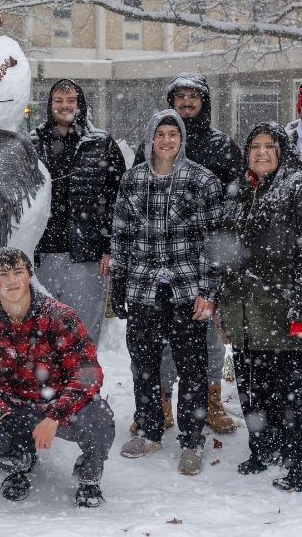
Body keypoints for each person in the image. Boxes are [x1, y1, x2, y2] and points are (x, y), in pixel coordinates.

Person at [215, 123, 302, 492]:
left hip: (293, 312)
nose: (261, 153)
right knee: (257, 386)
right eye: (254, 146)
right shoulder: (240, 189)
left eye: (268, 146)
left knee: (301, 393)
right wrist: (224, 308)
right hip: (250, 313)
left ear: (283, 150)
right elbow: (225, 253)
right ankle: (266, 448)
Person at [111, 110, 223, 476]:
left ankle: (191, 440)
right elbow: (122, 234)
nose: (167, 141)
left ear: (182, 139)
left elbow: (213, 242)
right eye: (160, 134)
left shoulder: (201, 180)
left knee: (192, 367)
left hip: (186, 287)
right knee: (144, 366)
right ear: (151, 138)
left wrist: (208, 291)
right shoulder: (133, 180)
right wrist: (119, 284)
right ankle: (148, 429)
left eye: (173, 134)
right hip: (144, 287)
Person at [0, 247, 115, 508]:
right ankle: (21, 464)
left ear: (30, 275)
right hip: (16, 407)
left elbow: (86, 373)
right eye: (3, 274)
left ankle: (89, 477)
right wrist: (4, 416)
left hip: (60, 405)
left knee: (100, 419)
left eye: (18, 272)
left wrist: (55, 416)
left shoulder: (58, 316)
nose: (11, 281)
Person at [133, 73, 242, 434]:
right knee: (162, 337)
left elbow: (235, 201)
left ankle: (210, 400)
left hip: (210, 254)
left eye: (193, 96)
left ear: (204, 102)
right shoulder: (152, 143)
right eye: (179, 96)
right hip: (162, 259)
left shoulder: (222, 146)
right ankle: (161, 401)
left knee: (208, 333)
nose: (186, 102)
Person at [30, 79, 125, 342]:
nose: (64, 106)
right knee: (45, 334)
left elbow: (118, 199)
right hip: (44, 253)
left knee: (82, 333)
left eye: (71, 100)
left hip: (88, 255)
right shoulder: (32, 144)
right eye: (58, 100)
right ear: (49, 105)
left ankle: (83, 383)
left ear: (80, 104)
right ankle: (50, 383)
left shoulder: (101, 143)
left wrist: (110, 247)